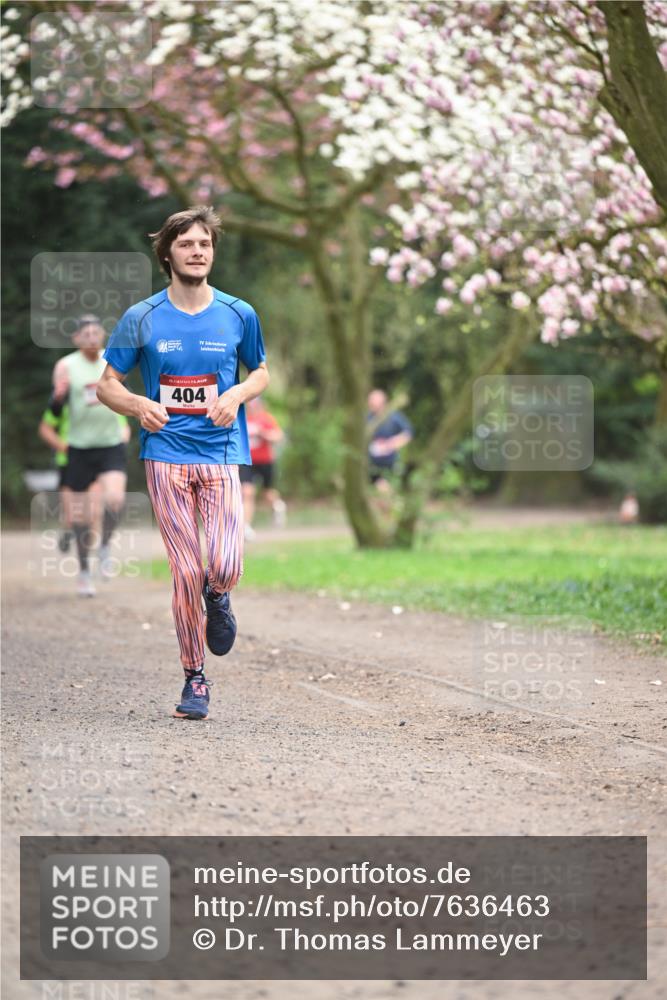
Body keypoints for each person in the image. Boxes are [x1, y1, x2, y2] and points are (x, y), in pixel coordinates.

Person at [97, 205, 269, 721]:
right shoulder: (142, 317)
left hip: (219, 452)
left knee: (224, 563)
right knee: (185, 568)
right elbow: (107, 384)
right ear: (168, 253)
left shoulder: (239, 313)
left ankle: (219, 595)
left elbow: (260, 371)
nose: (198, 252)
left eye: (205, 244)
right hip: (165, 454)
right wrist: (138, 404)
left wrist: (237, 393)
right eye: (188, 244)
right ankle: (195, 676)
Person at [50, 316, 129, 596]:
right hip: (79, 448)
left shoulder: (112, 362)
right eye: (87, 333)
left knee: (115, 499)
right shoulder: (66, 366)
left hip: (110, 444)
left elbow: (122, 395)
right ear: (76, 339)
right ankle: (84, 573)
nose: (93, 337)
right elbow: (55, 411)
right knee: (81, 518)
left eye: (97, 332)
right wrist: (58, 398)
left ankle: (105, 544)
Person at [240, 396, 286, 539]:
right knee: (247, 492)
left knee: (268, 494)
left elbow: (278, 437)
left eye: (254, 404)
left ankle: (278, 506)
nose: (252, 407)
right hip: (248, 462)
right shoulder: (243, 420)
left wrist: (263, 433)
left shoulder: (266, 419)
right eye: (250, 405)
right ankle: (246, 527)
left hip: (266, 461)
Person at [366, 388, 413, 493]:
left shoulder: (394, 417)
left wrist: (392, 444)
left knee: (385, 489)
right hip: (371, 463)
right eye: (371, 404)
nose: (372, 407)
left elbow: (408, 433)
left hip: (389, 462)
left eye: (375, 404)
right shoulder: (367, 418)